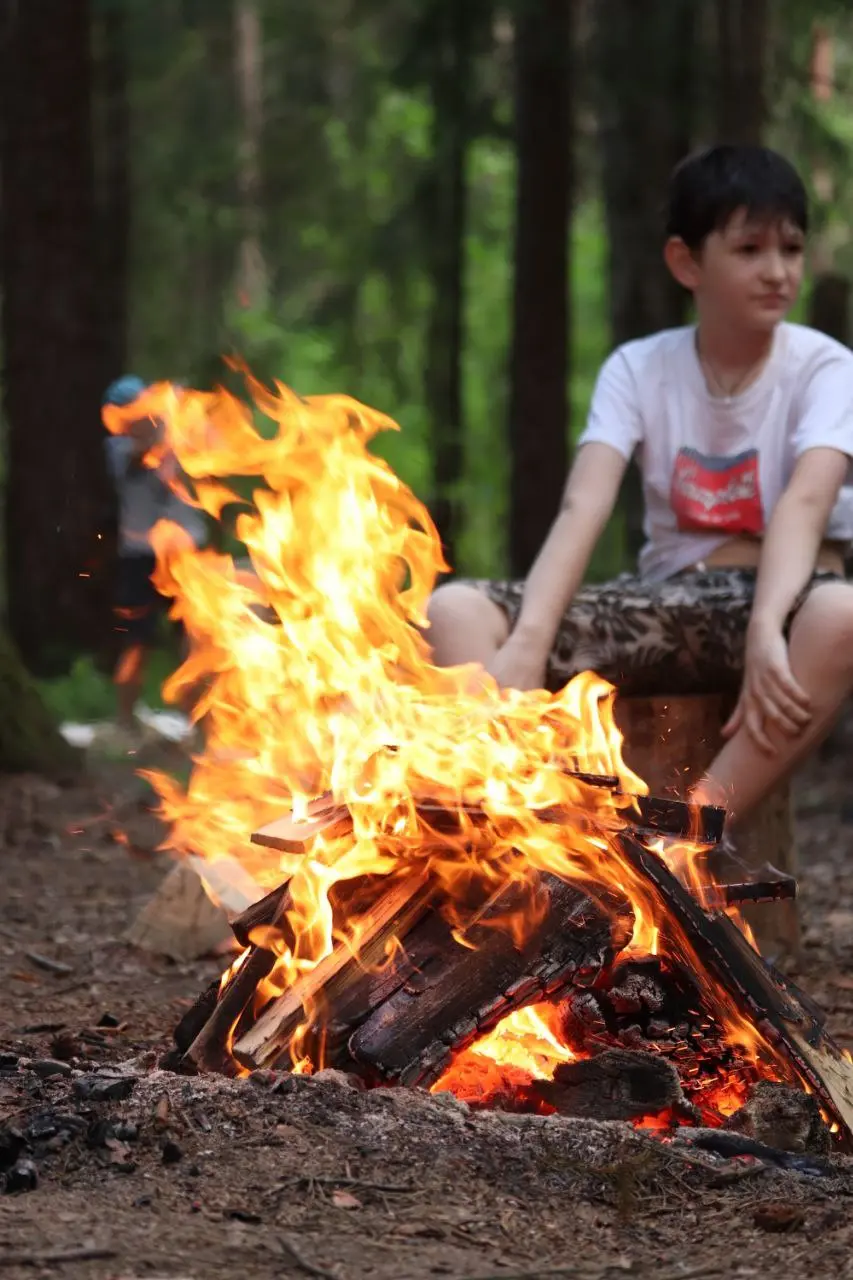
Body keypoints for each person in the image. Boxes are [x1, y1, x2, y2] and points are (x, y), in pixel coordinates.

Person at [425, 144, 853, 829]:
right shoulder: (637, 368)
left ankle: (685, 843)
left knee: (843, 617)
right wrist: (528, 643)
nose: (777, 272)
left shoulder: (826, 369)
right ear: (686, 262)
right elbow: (582, 503)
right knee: (453, 610)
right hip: (665, 604)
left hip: (786, 599)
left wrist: (768, 627)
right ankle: (530, 838)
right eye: (748, 250)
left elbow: (804, 505)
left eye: (791, 249)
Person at [102, 375, 208, 741]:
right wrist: (166, 414)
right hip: (140, 557)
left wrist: (179, 409)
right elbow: (143, 454)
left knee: (194, 641)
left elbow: (207, 452)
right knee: (136, 640)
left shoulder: (177, 437)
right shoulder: (119, 448)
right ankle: (124, 721)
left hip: (184, 553)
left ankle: (201, 723)